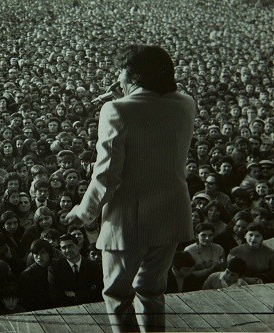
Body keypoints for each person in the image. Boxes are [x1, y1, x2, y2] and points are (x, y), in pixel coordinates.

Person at [65, 45, 195, 332]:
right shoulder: (187, 103)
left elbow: (108, 175)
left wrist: (85, 212)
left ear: (133, 75)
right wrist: (127, 98)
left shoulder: (114, 110)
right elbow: (153, 119)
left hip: (129, 221)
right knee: (151, 291)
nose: (117, 76)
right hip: (172, 214)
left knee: (117, 293)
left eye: (121, 71)